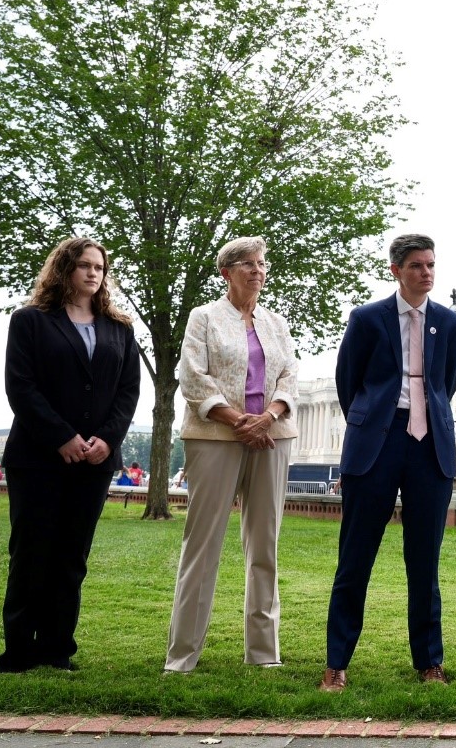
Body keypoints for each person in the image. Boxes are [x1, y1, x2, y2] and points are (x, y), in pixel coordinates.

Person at [321, 234, 456, 692]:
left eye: (431, 265)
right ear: (395, 270)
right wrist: (371, 422)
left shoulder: (449, 323)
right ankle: (337, 663)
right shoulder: (367, 319)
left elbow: (447, 381)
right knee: (355, 558)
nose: (427, 273)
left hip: (430, 450)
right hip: (376, 446)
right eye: (417, 266)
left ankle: (429, 663)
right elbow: (349, 382)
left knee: (424, 562)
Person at [0, 236, 140, 673]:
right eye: (83, 265)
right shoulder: (30, 321)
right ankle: (19, 651)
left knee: (71, 556)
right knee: (31, 552)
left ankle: (58, 648)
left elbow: (128, 391)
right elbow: (20, 386)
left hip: (95, 461)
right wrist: (62, 436)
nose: (93, 273)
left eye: (99, 266)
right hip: (38, 458)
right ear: (64, 269)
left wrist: (108, 440)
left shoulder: (120, 328)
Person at [164, 236, 298, 673]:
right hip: (214, 436)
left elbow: (289, 378)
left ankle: (264, 654)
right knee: (201, 545)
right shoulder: (204, 318)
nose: (258, 270)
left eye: (262, 264)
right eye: (248, 264)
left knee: (265, 546)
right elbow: (193, 379)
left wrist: (268, 417)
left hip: (273, 437)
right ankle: (182, 656)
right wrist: (239, 420)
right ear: (226, 272)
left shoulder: (277, 323)